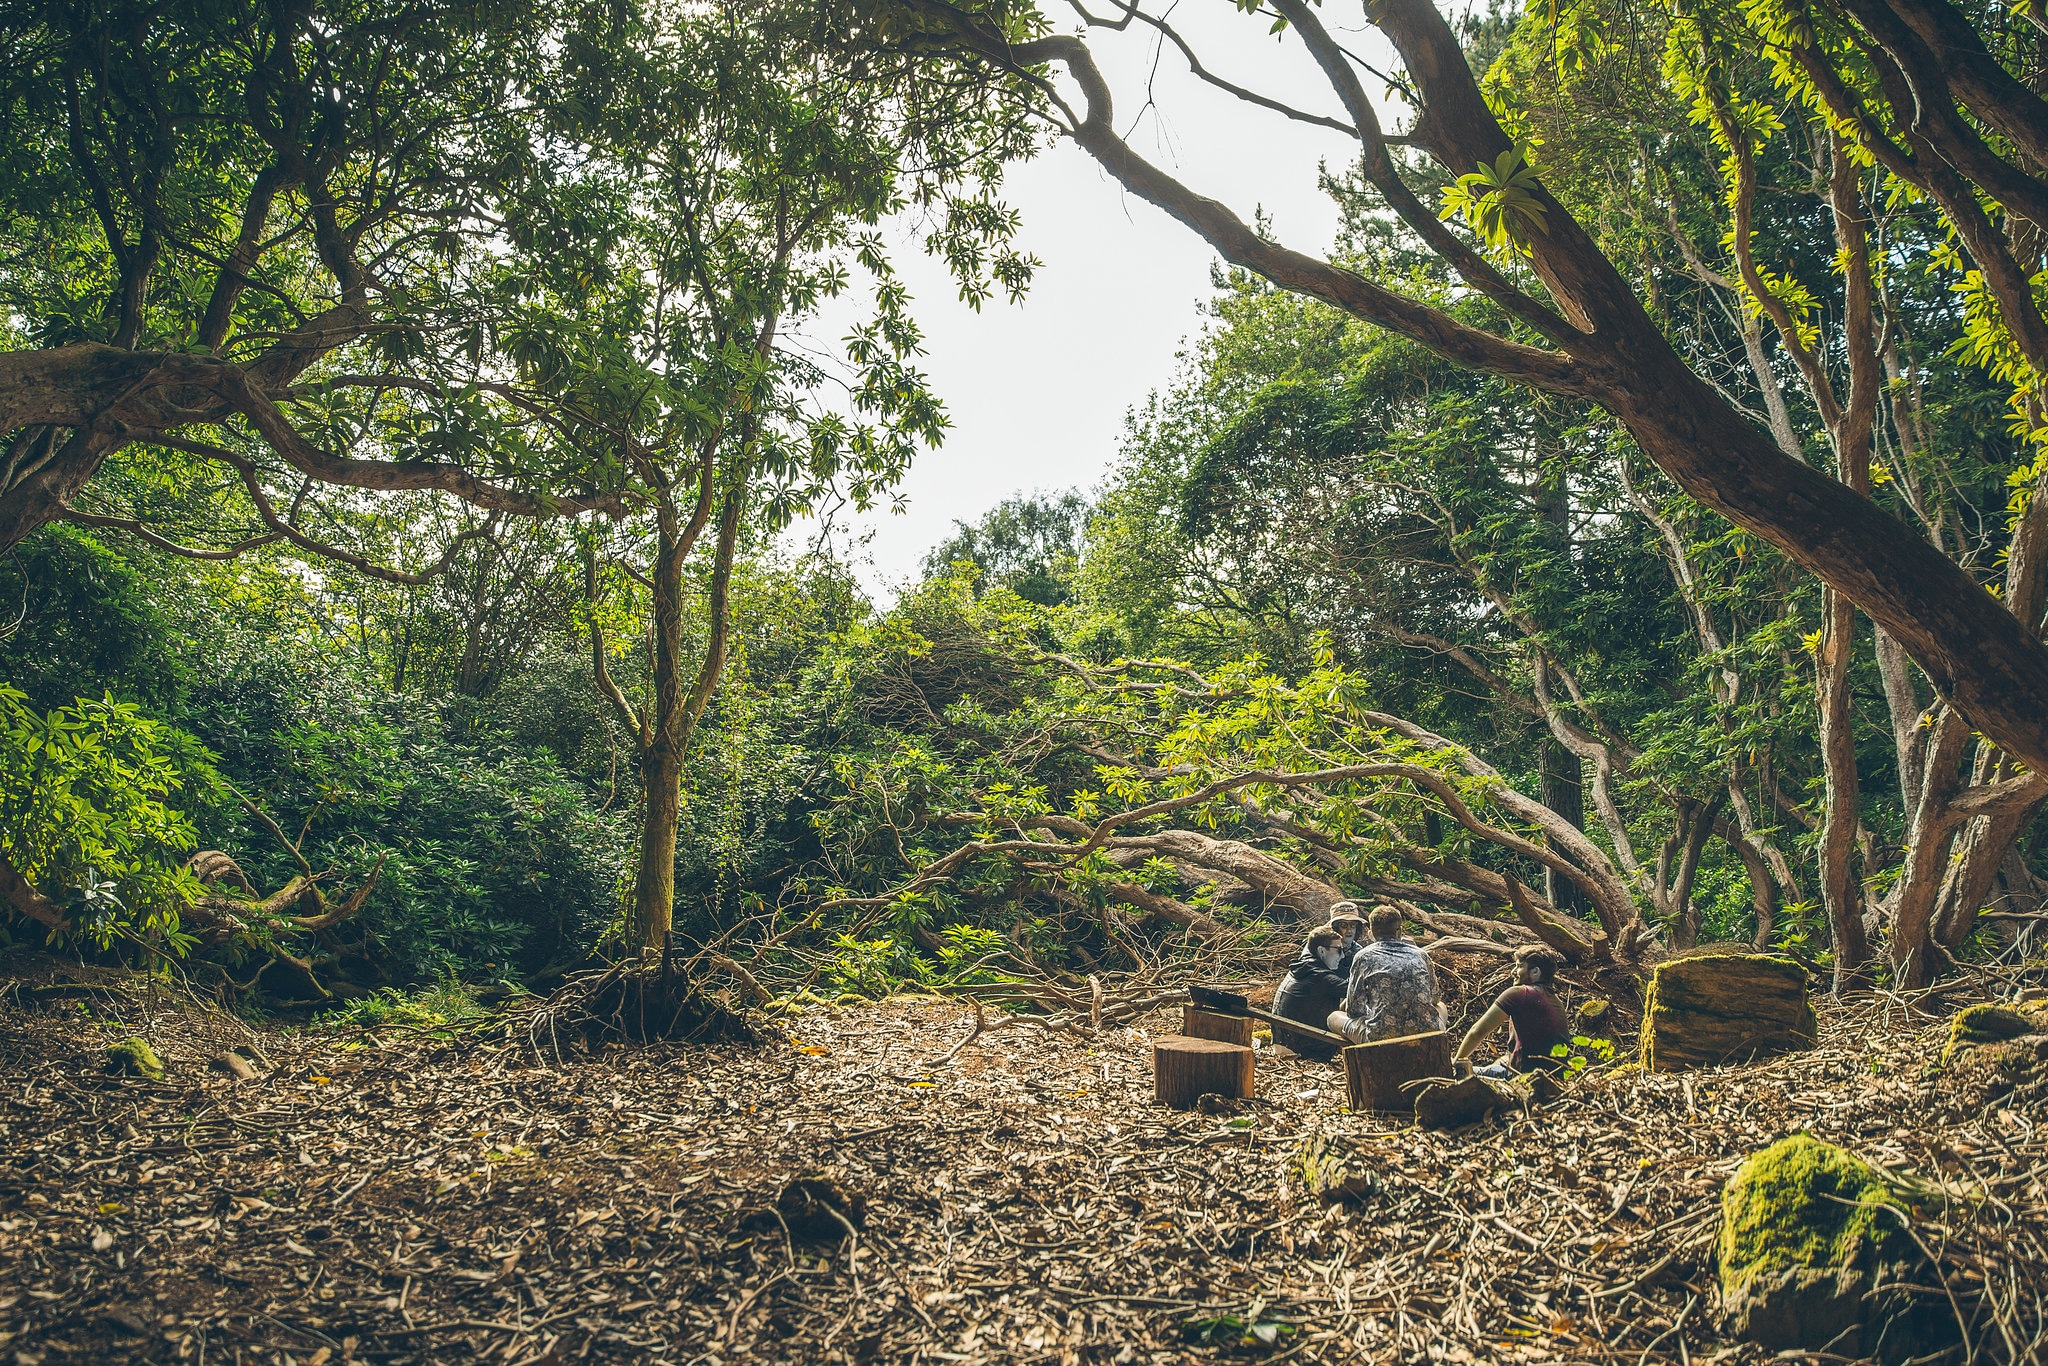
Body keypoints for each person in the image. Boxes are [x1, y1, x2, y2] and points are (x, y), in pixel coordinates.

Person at [1325, 905, 1446, 1045]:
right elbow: (1436, 998)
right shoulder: (1420, 954)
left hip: (1381, 1037)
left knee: (1334, 1017)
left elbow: (1353, 1011)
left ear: (1371, 933)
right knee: (1442, 1006)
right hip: (1427, 1033)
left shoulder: (1363, 956)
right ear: (1399, 932)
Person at [1453, 946, 1569, 1078]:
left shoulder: (1519, 993)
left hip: (1524, 1080)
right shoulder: (1555, 1000)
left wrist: (1456, 1063)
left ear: (1535, 972)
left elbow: (1477, 1031)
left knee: (1458, 1073)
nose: (1513, 972)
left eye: (1519, 966)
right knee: (1498, 1063)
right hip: (1556, 1079)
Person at [1271, 926, 1351, 1060]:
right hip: (1307, 1051)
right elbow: (1355, 990)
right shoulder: (1318, 976)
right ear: (1321, 950)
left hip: (1287, 1043)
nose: (1342, 956)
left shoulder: (1304, 967)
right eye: (1338, 950)